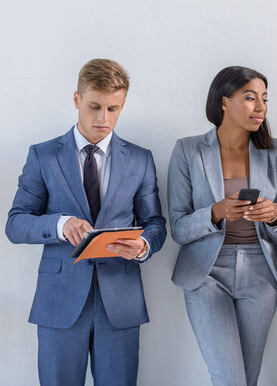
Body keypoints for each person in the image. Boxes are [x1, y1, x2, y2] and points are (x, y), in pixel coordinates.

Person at [5, 58, 167, 386]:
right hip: (59, 301)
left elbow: (155, 223)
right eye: (94, 106)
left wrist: (143, 246)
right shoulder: (43, 155)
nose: (103, 118)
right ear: (77, 99)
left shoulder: (140, 159)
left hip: (119, 303)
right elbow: (16, 223)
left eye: (113, 108)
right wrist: (60, 224)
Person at [168, 66, 277, 386]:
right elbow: (178, 228)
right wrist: (215, 212)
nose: (260, 108)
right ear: (224, 101)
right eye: (250, 98)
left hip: (261, 271)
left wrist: (274, 216)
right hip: (207, 273)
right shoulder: (188, 150)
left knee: (247, 380)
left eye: (264, 100)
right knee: (230, 379)